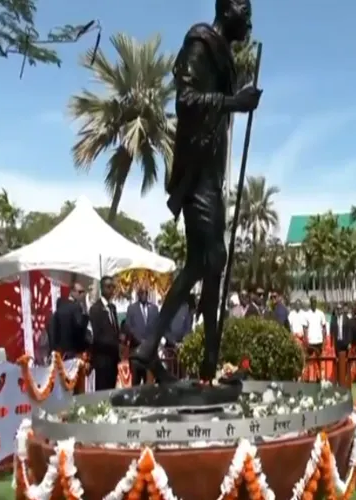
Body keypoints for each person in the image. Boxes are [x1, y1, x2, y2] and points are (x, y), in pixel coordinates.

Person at [130, 0, 262, 383]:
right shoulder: (200, 42)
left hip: (211, 174)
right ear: (228, 9)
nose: (249, 20)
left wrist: (233, 103)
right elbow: (185, 101)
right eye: (245, 11)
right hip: (196, 174)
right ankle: (170, 350)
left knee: (207, 262)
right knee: (208, 259)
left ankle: (199, 361)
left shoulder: (223, 56)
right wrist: (232, 103)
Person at [89, 276, 122, 391]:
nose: (111, 290)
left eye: (113, 287)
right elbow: (97, 336)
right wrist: (112, 342)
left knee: (112, 389)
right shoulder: (95, 309)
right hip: (102, 359)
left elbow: (115, 329)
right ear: (102, 289)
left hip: (113, 358)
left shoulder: (112, 308)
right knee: (102, 390)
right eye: (108, 287)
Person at [49, 282, 90, 360]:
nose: (82, 294)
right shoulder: (76, 307)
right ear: (72, 291)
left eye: (83, 292)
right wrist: (86, 317)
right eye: (80, 292)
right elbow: (80, 325)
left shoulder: (60, 307)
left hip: (60, 351)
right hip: (73, 350)